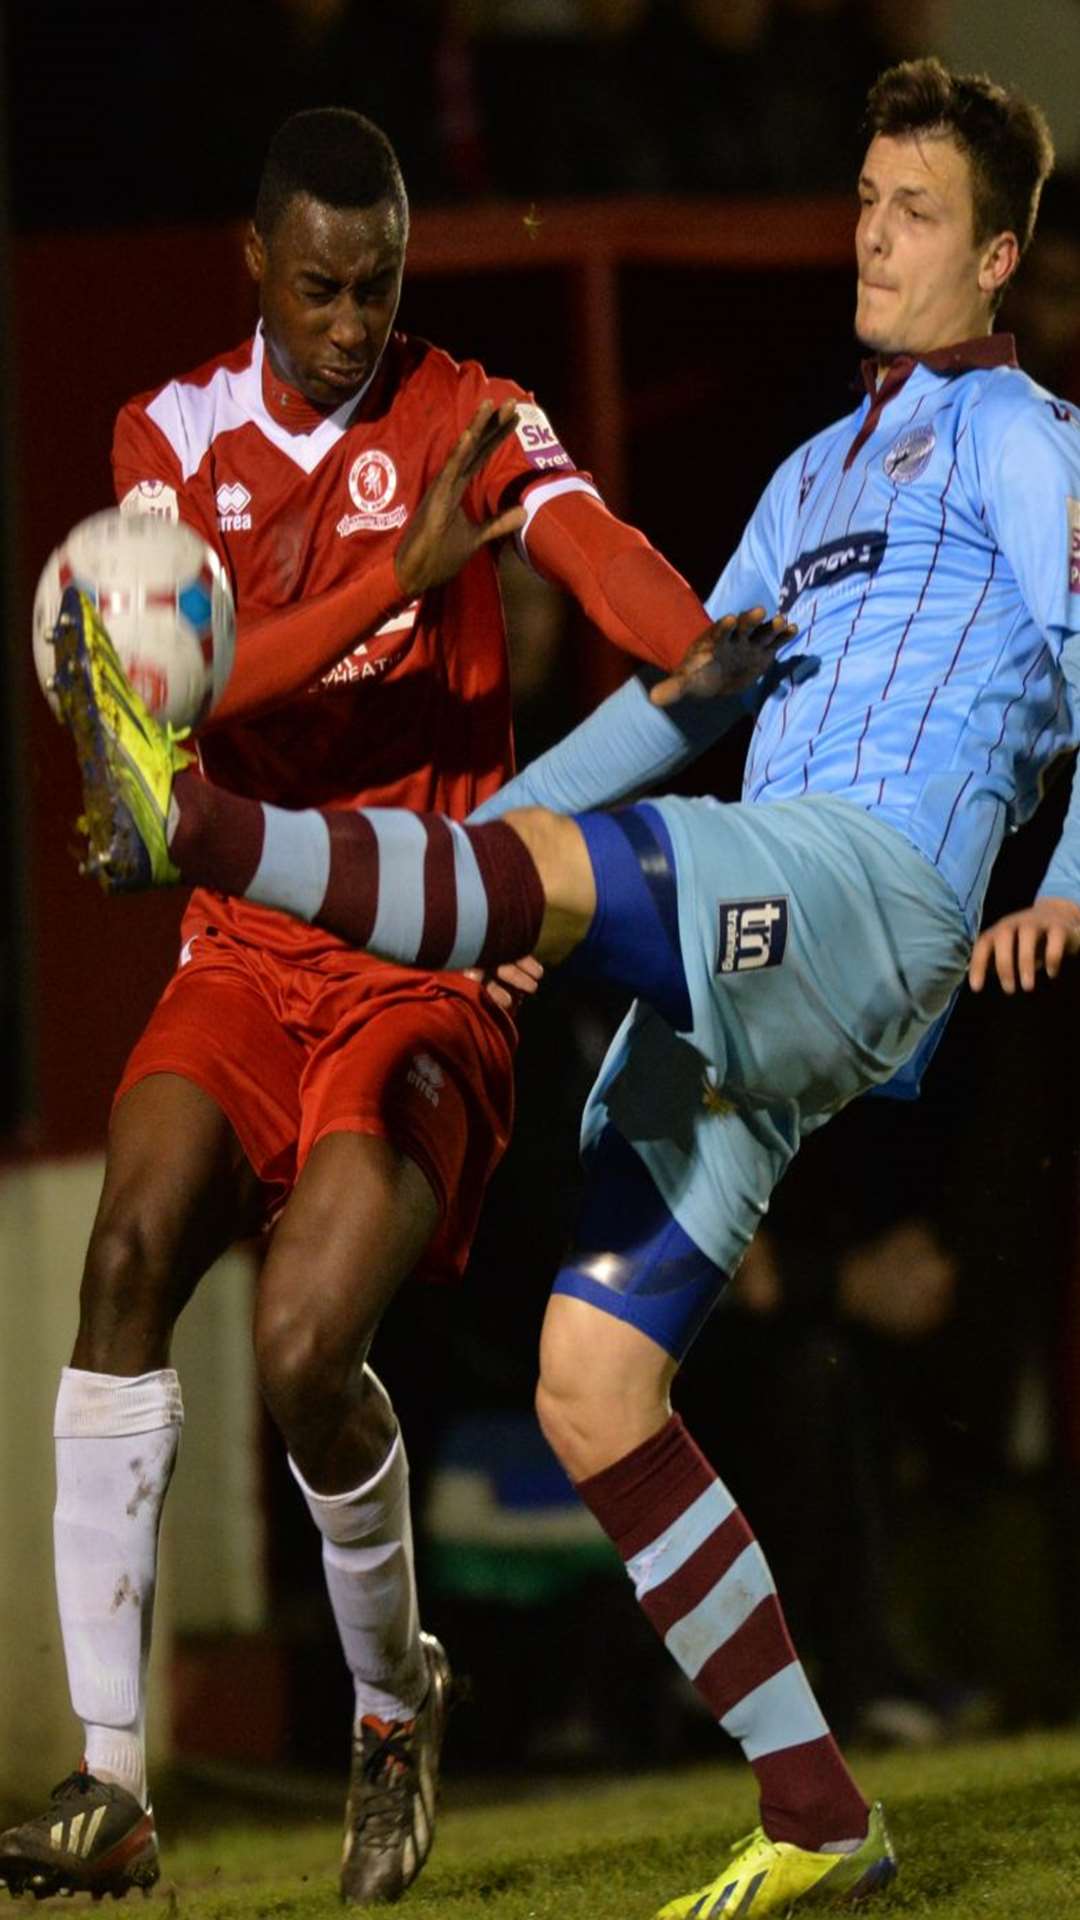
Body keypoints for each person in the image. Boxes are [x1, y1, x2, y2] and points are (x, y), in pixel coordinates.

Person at [40, 56, 1080, 1917]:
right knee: (593, 1385)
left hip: (864, 887)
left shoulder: (1022, 436)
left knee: (477, 956)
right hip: (742, 923)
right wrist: (517, 835)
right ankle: (823, 1809)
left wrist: (1067, 876)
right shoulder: (811, 472)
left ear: (1000, 261)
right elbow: (689, 688)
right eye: (861, 200)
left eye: (912, 214)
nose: (868, 235)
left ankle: (187, 827)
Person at [0, 106, 753, 1908]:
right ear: (254, 268)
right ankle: (113, 1787)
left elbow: (591, 548)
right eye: (321, 288)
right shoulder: (165, 438)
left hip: (425, 954)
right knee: (124, 1268)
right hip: (246, 951)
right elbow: (168, 696)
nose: (354, 324)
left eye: (382, 286)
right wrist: (386, 585)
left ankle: (394, 1705)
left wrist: (700, 645)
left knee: (300, 1355)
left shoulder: (469, 414)